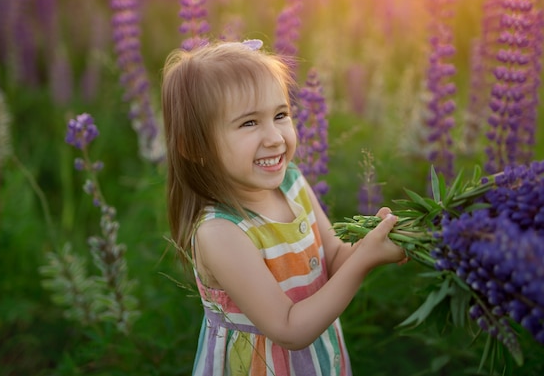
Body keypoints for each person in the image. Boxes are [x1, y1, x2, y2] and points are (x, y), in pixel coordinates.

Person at [161, 40, 408, 375]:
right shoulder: (220, 232)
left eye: (280, 115)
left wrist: (372, 241)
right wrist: (366, 260)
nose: (276, 137)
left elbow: (333, 258)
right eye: (249, 123)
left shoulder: (291, 182)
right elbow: (290, 329)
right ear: (195, 146)